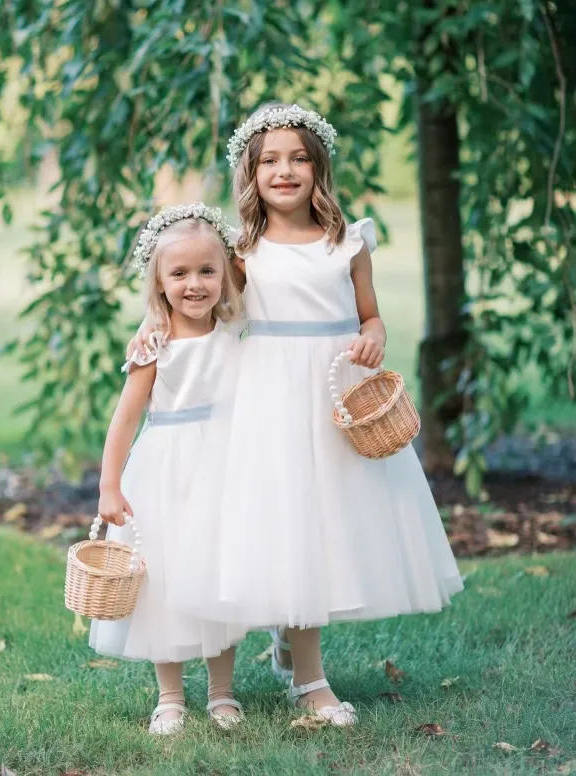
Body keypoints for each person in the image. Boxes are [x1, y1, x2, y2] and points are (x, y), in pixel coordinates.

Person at [129, 104, 464, 727]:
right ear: (251, 174)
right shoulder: (242, 249)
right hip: (265, 399)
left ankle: (306, 671)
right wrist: (152, 328)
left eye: (299, 158)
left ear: (319, 167)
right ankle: (295, 663)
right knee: (286, 523)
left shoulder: (348, 241)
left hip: (332, 392)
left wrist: (375, 334)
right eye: (270, 161)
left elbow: (370, 314)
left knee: (325, 524)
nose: (285, 171)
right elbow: (198, 303)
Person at [90, 204, 247, 735]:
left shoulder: (236, 333)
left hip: (223, 468)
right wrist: (110, 485)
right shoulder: (154, 347)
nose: (195, 284)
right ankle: (171, 696)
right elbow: (124, 420)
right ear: (159, 283)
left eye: (207, 270)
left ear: (225, 273)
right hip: (165, 472)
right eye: (178, 274)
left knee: (219, 579)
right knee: (165, 581)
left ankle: (222, 693)